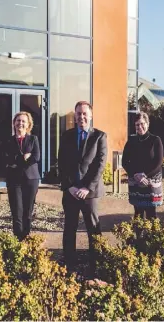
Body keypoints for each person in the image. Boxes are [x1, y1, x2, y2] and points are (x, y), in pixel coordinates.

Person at [58, 101, 107, 273]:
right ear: (75, 116)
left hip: (90, 192)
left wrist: (86, 187)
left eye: (85, 113)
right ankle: (70, 263)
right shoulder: (66, 136)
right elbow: (62, 163)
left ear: (91, 115)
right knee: (69, 227)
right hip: (71, 191)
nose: (81, 117)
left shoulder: (100, 136)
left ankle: (97, 263)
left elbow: (100, 165)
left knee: (93, 227)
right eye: (78, 114)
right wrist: (69, 186)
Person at [4, 111, 40, 240]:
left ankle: (26, 237)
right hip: (14, 180)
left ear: (28, 124)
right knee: (16, 210)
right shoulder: (8, 140)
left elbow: (36, 157)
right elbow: (7, 158)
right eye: (18, 120)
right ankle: (18, 239)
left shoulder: (33, 139)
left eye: (23, 121)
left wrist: (19, 161)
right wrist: (24, 158)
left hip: (31, 179)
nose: (20, 123)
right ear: (14, 123)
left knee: (28, 211)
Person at [122, 111, 163, 219]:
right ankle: (138, 235)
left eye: (142, 123)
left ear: (147, 124)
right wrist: (135, 174)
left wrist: (144, 175)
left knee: (151, 214)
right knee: (138, 213)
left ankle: (153, 236)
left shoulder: (155, 140)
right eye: (137, 124)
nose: (140, 127)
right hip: (135, 181)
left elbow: (158, 162)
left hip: (150, 181)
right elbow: (125, 161)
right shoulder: (131, 140)